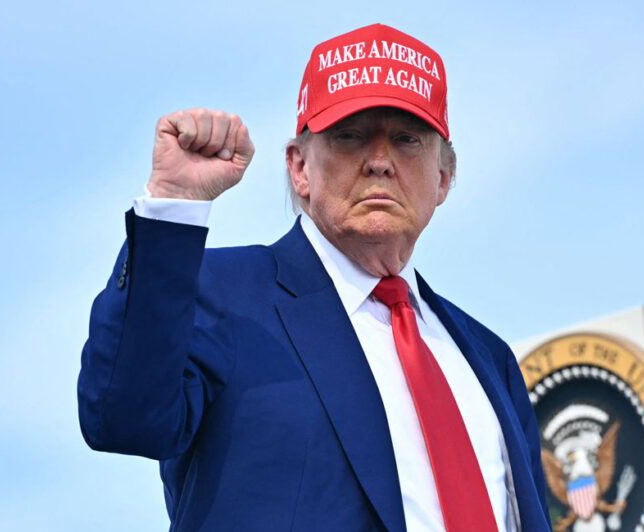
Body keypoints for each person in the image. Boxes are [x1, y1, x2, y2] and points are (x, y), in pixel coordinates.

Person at [77, 23, 550, 531]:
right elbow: (124, 419)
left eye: (407, 139)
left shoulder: (489, 359)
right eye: (350, 136)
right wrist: (173, 206)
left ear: (443, 178)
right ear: (299, 167)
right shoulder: (221, 294)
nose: (379, 162)